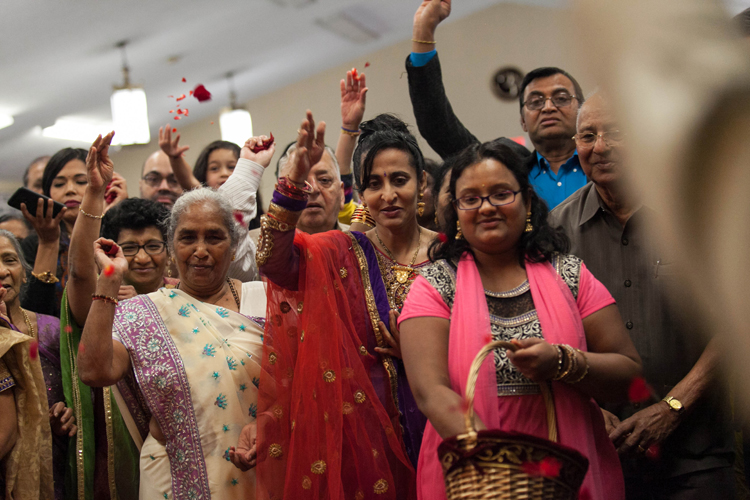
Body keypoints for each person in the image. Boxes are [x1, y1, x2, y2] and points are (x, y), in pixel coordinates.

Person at [399, 140, 641, 499]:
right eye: (471, 198)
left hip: (569, 473)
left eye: (500, 194)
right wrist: (498, 464)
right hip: (476, 474)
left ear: (527, 201)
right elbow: (431, 392)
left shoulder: (570, 276)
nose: (486, 208)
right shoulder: (434, 286)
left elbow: (630, 376)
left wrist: (562, 362)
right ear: (456, 212)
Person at [549, 94, 736, 498]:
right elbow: (550, 332)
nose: (599, 147)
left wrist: (673, 406)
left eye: (615, 132)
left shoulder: (694, 210)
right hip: (606, 450)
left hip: (701, 448)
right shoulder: (557, 229)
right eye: (587, 135)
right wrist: (592, 412)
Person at [246, 111, 436, 499]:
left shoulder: (451, 254)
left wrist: (417, 352)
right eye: (374, 184)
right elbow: (272, 261)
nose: (387, 194)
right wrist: (293, 182)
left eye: (399, 180)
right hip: (367, 438)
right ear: (360, 194)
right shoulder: (341, 250)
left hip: (446, 421)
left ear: (422, 184)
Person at [76, 186, 264, 499]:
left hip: (261, 466)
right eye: (188, 238)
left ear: (233, 247)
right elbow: (94, 372)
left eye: (214, 238)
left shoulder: (264, 301)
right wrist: (109, 277)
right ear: (172, 248)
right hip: (174, 479)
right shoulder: (142, 312)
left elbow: (299, 388)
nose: (200, 250)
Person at [406, 0, 584, 209]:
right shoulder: (508, 171)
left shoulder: (611, 164)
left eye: (561, 98)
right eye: (535, 102)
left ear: (582, 112)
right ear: (523, 121)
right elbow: (439, 126)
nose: (548, 107)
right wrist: (423, 31)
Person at [0, 230, 76, 500]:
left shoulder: (52, 330)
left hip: (51, 468)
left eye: (9, 260)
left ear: (24, 271)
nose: (2, 271)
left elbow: (83, 396)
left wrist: (68, 415)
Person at [19, 147, 127, 317]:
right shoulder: (33, 244)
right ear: (48, 193)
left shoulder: (116, 235)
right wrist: (47, 244)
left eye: (81, 181)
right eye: (59, 184)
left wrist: (115, 215)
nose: (70, 189)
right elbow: (32, 314)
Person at [159, 127, 263, 282]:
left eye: (232, 167)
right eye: (215, 168)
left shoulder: (262, 220)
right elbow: (189, 182)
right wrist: (175, 159)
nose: (224, 173)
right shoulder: (204, 208)